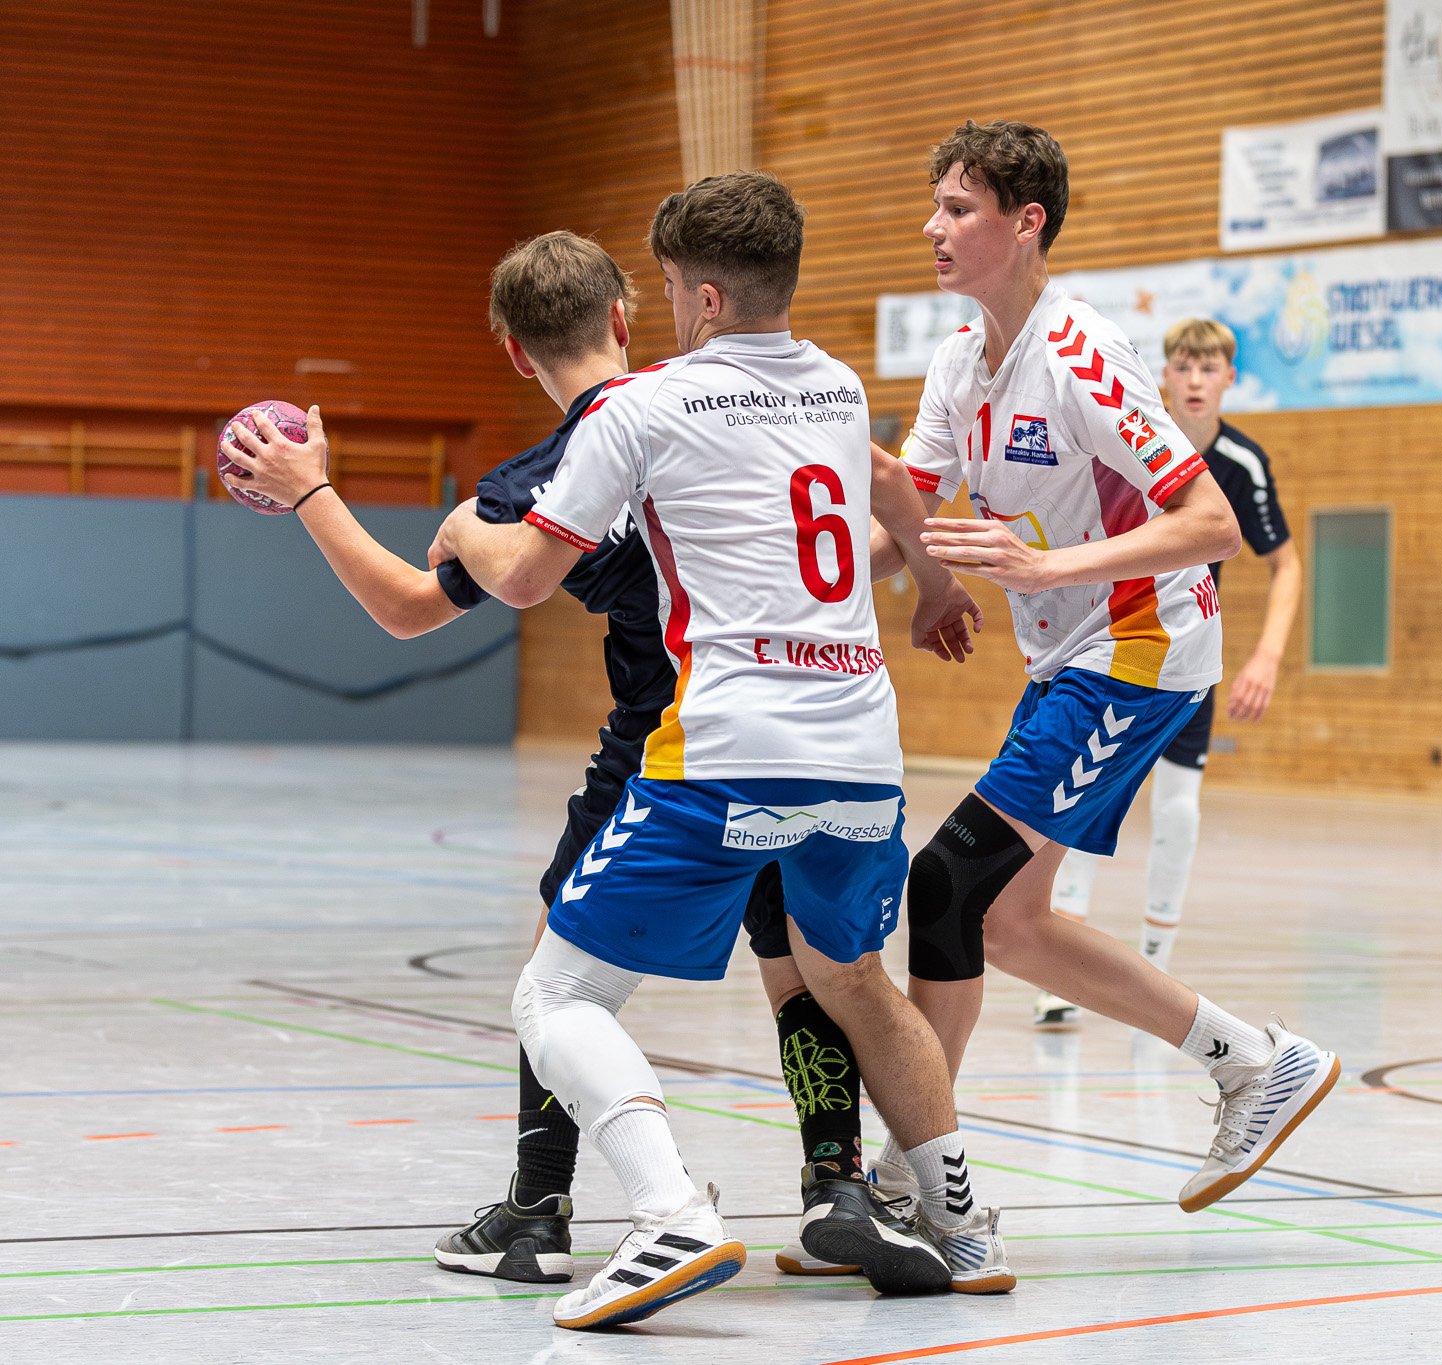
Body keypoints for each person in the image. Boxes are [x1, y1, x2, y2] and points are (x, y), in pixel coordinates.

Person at [227, 207, 999, 1324]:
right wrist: (929, 580)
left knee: (558, 979)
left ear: (512, 347)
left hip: (691, 742)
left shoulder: (608, 432)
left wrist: (328, 497)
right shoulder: (818, 385)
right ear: (626, 316)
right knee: (826, 976)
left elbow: (435, 598)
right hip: (846, 732)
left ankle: (568, 1207)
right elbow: (887, 486)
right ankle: (866, 1192)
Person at [875, 119, 1340, 1215]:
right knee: (1009, 921)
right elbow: (910, 504)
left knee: (945, 883)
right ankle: (1251, 1062)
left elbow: (1212, 523)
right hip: (1068, 653)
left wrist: (1043, 569)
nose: (931, 226)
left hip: (1142, 648)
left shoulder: (1083, 355)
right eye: (935, 205)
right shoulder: (956, 358)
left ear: (1023, 222)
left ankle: (914, 1181)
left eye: (956, 208)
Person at [1032, 316, 1301, 1028]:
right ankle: (1065, 966)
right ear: (1164, 375)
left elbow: (1287, 565)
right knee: (1079, 801)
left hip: (1188, 657)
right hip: (1113, 643)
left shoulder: (1241, 465)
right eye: (1181, 366)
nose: (1192, 380)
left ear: (1227, 380)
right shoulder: (1142, 446)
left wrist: (1267, 654)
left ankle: (1155, 958)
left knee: (1178, 812)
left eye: (1207, 368)